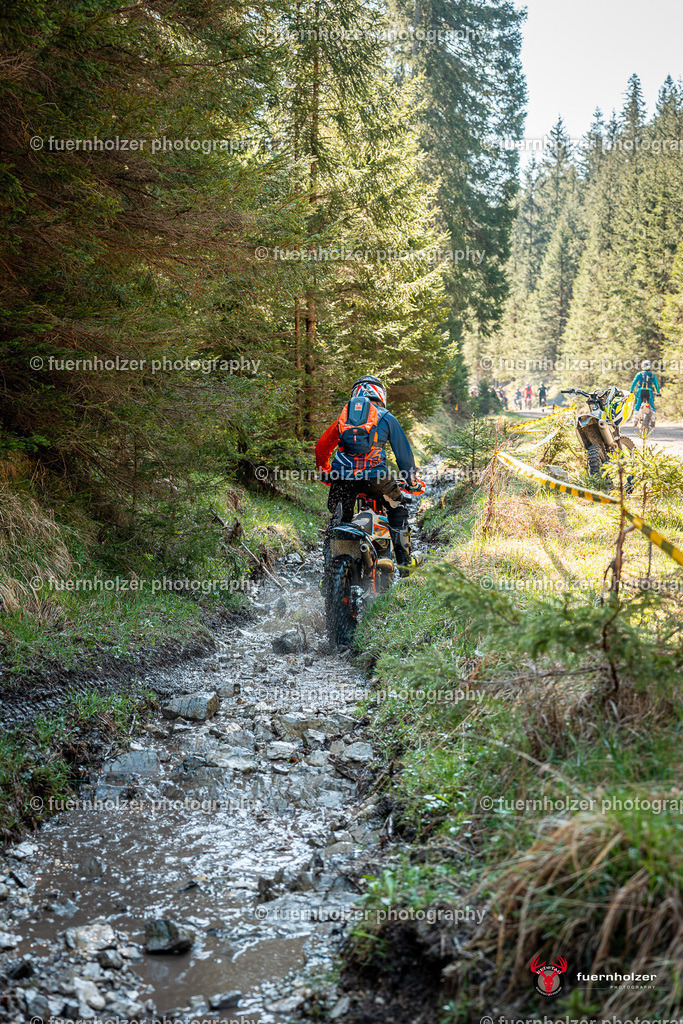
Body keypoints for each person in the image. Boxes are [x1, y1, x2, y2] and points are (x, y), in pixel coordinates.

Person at [315, 375, 419, 573]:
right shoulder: (387, 417)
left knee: (339, 520)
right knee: (397, 509)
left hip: (342, 478)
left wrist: (326, 471)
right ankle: (405, 563)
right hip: (377, 479)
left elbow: (321, 448)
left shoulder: (343, 418)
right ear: (380, 394)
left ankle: (329, 569)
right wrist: (411, 480)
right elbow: (403, 455)